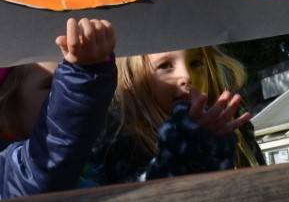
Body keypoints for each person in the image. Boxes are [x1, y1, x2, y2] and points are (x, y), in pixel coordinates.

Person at [0, 17, 117, 202]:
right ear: (2, 112)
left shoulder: (91, 159)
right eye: (52, 85)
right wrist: (81, 77)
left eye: (65, 85)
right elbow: (44, 165)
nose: (62, 94)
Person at [95, 46, 259, 183]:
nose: (186, 76)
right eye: (165, 66)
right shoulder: (123, 147)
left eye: (195, 62)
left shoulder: (234, 129)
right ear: (132, 77)